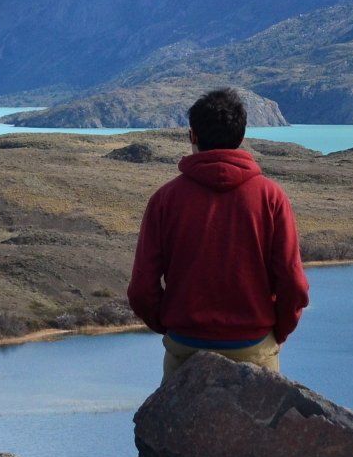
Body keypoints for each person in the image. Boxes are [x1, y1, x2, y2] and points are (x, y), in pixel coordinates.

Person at [127, 87, 311, 384]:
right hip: (254, 348)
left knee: (182, 430)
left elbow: (141, 289)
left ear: (193, 136)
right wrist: (278, 331)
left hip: (185, 348)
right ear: (240, 137)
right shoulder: (271, 197)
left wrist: (171, 324)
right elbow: (293, 283)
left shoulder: (165, 200)